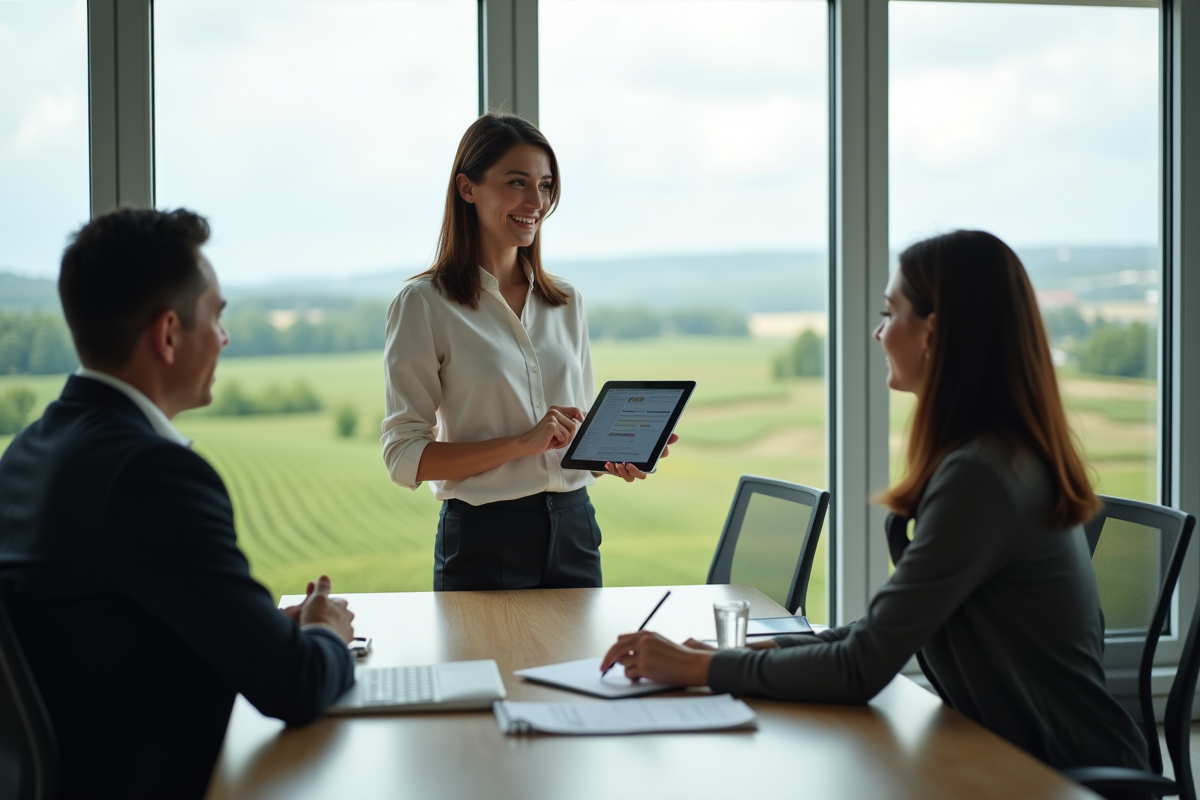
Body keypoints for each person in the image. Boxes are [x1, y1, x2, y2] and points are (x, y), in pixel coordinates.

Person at [601, 230, 1151, 776]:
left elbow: (860, 667)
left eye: (890, 313)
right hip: (1007, 757)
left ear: (932, 331)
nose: (878, 332)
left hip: (1057, 778)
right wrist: (733, 658)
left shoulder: (982, 476)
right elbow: (879, 633)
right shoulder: (998, 456)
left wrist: (702, 669)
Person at [0, 208, 357, 800]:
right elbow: (295, 686)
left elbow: (109, 630)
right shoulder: (152, 475)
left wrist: (260, 630)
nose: (224, 337)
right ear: (168, 334)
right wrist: (325, 632)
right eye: (216, 316)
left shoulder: (28, 449)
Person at [382, 112, 675, 591]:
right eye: (517, 182)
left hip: (576, 530)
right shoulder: (424, 304)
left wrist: (618, 450)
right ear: (467, 188)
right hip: (482, 539)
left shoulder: (566, 301)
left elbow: (572, 438)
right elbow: (404, 456)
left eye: (545, 186)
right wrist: (522, 443)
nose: (536, 202)